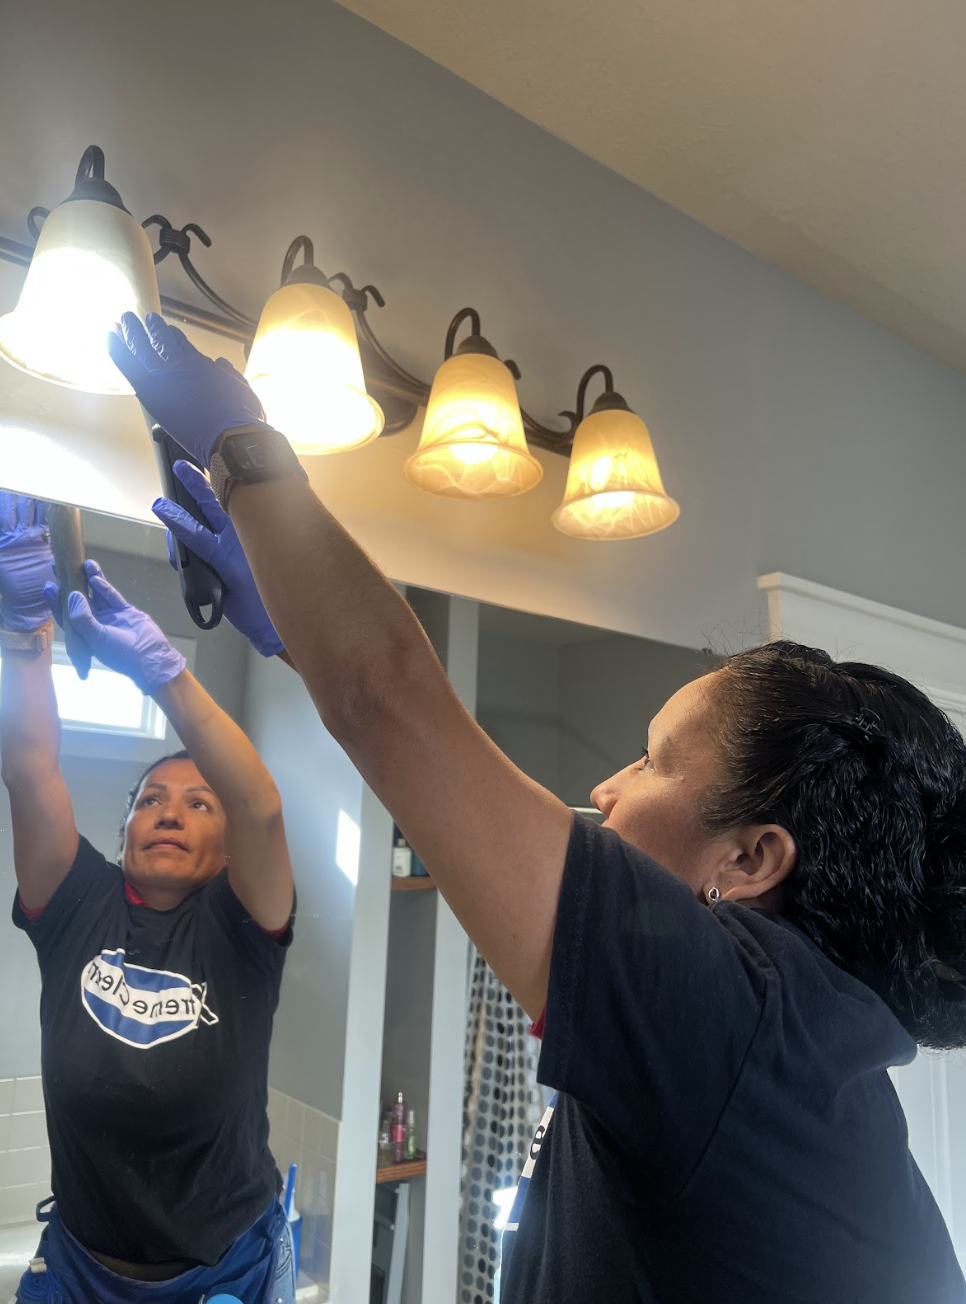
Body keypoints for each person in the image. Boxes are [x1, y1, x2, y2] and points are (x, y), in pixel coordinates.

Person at [115, 311, 966, 1303]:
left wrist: (241, 446)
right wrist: (294, 631)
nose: (605, 787)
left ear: (750, 858)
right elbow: (454, 780)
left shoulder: (739, 1030)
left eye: (652, 760)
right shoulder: (794, 1054)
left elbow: (391, 701)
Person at [0, 492, 297, 1304]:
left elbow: (262, 808)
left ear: (228, 849)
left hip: (226, 1272)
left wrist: (164, 674)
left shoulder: (242, 929)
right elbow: (29, 769)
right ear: (126, 825)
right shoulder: (77, 905)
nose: (169, 812)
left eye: (200, 803)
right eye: (151, 799)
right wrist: (23, 635)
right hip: (79, 1270)